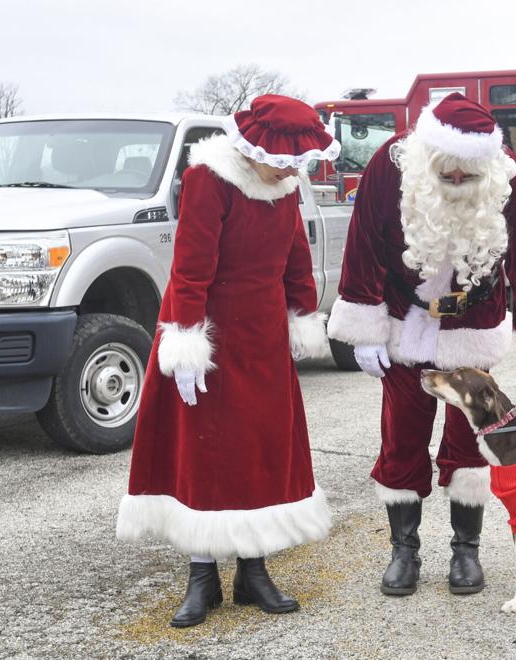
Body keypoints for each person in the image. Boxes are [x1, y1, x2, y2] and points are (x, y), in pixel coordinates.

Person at [326, 93, 516, 597]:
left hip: (473, 324)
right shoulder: (390, 165)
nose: (457, 181)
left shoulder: (508, 176)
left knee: (470, 440)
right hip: (404, 322)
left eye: (468, 175)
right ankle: (404, 550)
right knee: (401, 437)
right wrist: (365, 322)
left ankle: (466, 550)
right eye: (447, 173)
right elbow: (364, 243)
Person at [116, 95, 340, 628]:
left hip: (263, 336)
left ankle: (252, 569)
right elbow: (190, 267)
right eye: (285, 160)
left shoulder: (283, 185)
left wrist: (302, 316)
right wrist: (187, 341)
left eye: (298, 163)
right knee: (208, 449)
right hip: (211, 333)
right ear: (255, 149)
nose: (292, 171)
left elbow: (295, 259)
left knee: (259, 447)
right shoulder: (208, 180)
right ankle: (202, 575)